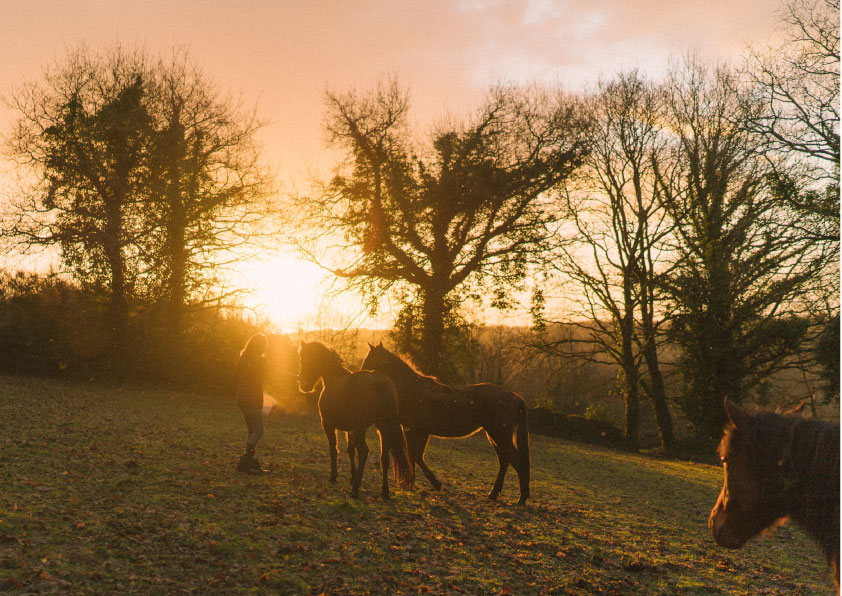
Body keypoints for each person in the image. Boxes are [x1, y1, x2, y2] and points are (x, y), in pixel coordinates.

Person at [233, 333, 269, 473]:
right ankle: (244, 461)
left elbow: (234, 378)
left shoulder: (244, 358)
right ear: (259, 345)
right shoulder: (260, 361)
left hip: (241, 397)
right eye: (264, 343)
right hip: (250, 398)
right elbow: (259, 383)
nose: (266, 346)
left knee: (252, 430)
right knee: (259, 430)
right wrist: (259, 401)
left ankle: (252, 463)